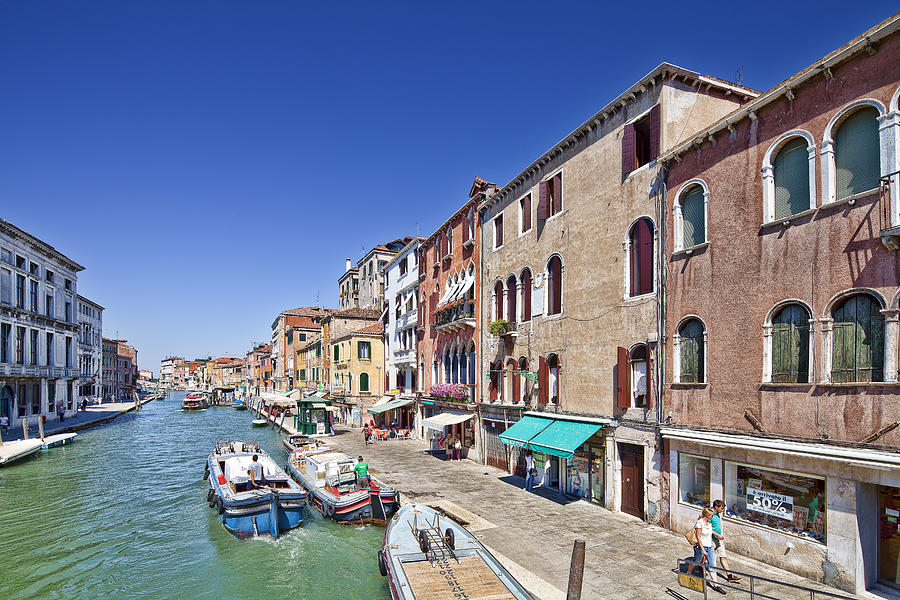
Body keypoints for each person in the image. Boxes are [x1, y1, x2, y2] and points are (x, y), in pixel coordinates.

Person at [693, 507, 726, 594]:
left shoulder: (709, 523)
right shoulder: (699, 523)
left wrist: (718, 535)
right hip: (701, 547)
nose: (713, 516)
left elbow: (710, 531)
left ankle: (716, 585)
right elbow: (698, 537)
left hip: (710, 546)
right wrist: (703, 550)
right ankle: (689, 573)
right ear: (707, 515)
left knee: (712, 565)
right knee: (696, 562)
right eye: (712, 515)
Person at [711, 500, 741, 582]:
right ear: (716, 507)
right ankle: (700, 566)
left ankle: (729, 575)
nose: (722, 510)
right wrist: (717, 535)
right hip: (711, 540)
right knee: (708, 557)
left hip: (719, 539)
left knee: (723, 556)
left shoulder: (718, 514)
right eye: (721, 508)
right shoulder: (709, 515)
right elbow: (707, 528)